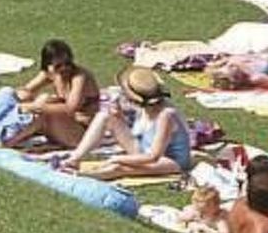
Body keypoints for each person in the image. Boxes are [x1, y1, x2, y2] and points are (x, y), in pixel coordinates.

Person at [61, 67, 192, 180]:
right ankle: (74, 159)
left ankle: (83, 176)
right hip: (144, 150)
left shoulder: (166, 115)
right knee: (106, 116)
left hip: (168, 160)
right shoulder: (144, 109)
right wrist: (118, 114)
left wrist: (119, 159)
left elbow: (154, 156)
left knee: (119, 167)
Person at [7, 39, 101, 149]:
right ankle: (10, 133)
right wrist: (16, 98)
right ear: (48, 66)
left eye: (68, 63)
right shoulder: (51, 74)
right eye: (58, 65)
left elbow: (71, 108)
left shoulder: (79, 77)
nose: (64, 68)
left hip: (84, 133)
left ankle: (11, 141)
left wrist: (35, 106)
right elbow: (26, 90)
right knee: (43, 99)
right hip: (66, 124)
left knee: (43, 111)